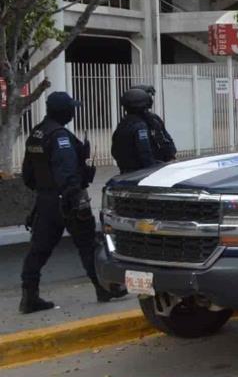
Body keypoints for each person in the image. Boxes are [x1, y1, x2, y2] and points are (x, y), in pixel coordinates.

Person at [20, 92, 126, 314]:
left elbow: (27, 175)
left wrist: (45, 192)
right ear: (64, 111)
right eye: (71, 109)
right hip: (68, 201)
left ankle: (29, 297)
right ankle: (103, 288)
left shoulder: (37, 133)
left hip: (46, 201)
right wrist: (75, 198)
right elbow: (67, 173)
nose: (73, 112)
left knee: (38, 250)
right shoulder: (61, 137)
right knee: (88, 246)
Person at [111, 88, 162, 173]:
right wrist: (153, 170)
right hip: (139, 172)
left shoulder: (123, 123)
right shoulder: (140, 126)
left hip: (125, 170)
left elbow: (114, 150)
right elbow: (145, 152)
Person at [130, 84, 177, 163]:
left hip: (160, 164)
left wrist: (171, 155)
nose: (150, 100)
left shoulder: (154, 119)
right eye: (148, 97)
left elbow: (165, 138)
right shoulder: (130, 123)